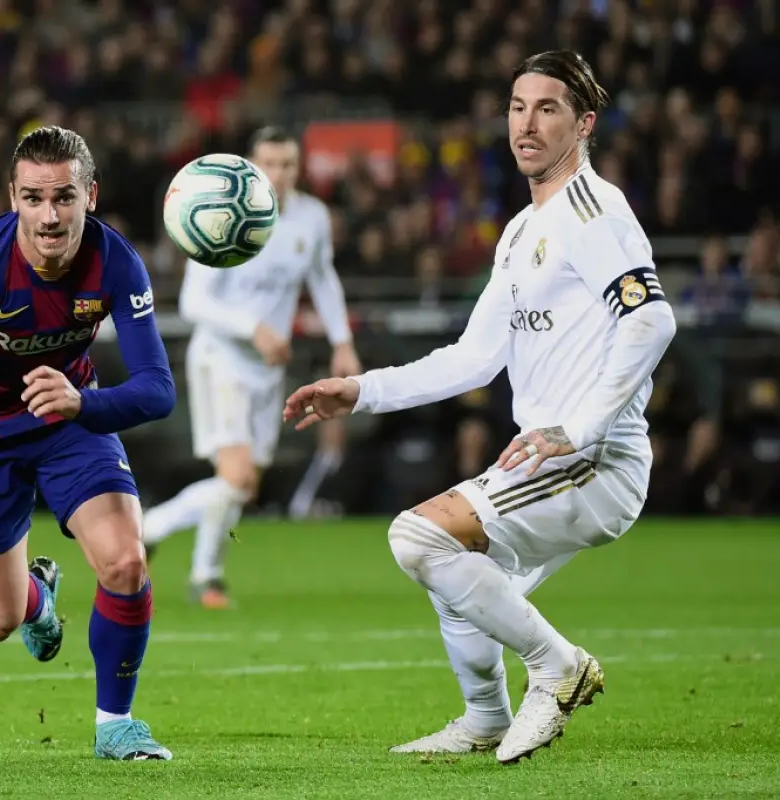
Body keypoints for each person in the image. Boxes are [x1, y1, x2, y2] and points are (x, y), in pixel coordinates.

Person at [283, 50, 677, 764]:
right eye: (517, 106)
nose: (527, 123)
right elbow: (472, 358)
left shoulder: (592, 210)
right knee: (455, 568)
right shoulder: (525, 230)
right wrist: (364, 390)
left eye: (548, 108)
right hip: (551, 452)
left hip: (594, 459)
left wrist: (581, 429)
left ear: (584, 123)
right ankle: (486, 717)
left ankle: (557, 666)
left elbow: (652, 321)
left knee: (418, 536)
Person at [0, 126, 176, 761]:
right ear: (13, 198)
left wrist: (85, 404)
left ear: (91, 196)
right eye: (34, 198)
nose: (50, 216)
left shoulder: (116, 261)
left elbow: (158, 389)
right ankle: (38, 600)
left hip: (67, 417)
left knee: (126, 562)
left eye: (64, 197)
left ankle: (115, 726)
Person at [141, 126, 360, 608]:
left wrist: (342, 341)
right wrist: (253, 328)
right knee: (237, 478)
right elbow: (195, 301)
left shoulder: (312, 217)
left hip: (266, 368)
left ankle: (161, 537)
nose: (278, 175)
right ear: (251, 165)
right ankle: (198, 570)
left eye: (288, 165)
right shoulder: (223, 213)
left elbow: (323, 278)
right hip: (222, 359)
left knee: (242, 485)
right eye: (269, 164)